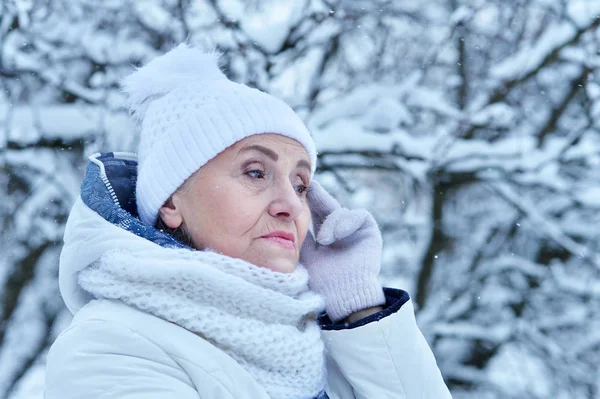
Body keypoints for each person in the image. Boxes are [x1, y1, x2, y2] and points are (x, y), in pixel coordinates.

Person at [44, 44, 452, 399]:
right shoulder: (111, 347)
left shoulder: (322, 348)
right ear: (171, 202)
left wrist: (358, 311)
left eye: (300, 184)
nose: (291, 205)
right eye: (256, 172)